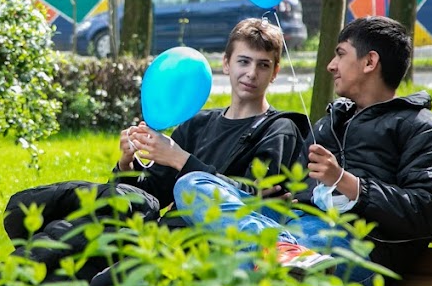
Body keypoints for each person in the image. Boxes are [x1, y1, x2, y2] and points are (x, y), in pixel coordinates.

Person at [173, 15, 432, 286]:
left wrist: (348, 184)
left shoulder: (423, 128)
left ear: (370, 61)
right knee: (191, 185)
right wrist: (279, 196)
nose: (331, 65)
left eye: (341, 54)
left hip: (359, 247)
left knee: (219, 260)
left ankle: (276, 255)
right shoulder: (330, 124)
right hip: (295, 228)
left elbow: (425, 209)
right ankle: (278, 252)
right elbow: (297, 191)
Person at [116, 17, 309, 221]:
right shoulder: (196, 124)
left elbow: (251, 199)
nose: (252, 73)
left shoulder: (279, 129)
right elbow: (150, 197)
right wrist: (126, 163)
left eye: (263, 65)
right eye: (243, 61)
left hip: (220, 242)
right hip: (167, 235)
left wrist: (179, 159)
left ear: (274, 72)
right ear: (226, 64)